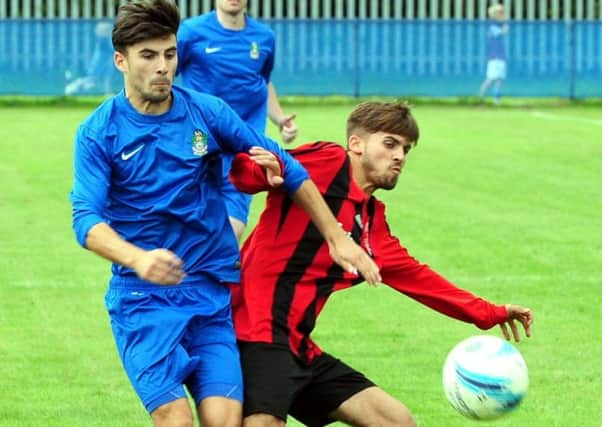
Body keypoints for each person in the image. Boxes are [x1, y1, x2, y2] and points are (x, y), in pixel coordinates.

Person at [69, 1, 380, 426]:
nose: (163, 67)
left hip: (210, 297)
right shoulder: (98, 131)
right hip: (143, 302)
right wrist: (137, 258)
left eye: (170, 54)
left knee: (226, 421)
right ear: (120, 60)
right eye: (148, 56)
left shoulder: (206, 111)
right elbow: (85, 219)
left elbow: (286, 167)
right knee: (175, 418)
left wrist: (336, 236)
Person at [229, 101, 534, 427]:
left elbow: (423, 281)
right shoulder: (328, 162)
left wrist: (491, 312)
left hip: (298, 346)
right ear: (356, 144)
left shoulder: (372, 226)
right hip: (255, 330)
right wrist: (262, 172)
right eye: (389, 144)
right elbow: (255, 169)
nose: (399, 156)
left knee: (396, 420)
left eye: (405, 148)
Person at [176, 0, 298, 241]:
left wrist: (280, 118)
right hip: (199, 143)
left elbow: (262, 81)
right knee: (188, 220)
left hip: (244, 147)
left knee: (232, 230)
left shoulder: (263, 37)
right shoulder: (190, 32)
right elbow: (165, 74)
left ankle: (202, 269)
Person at [64, 21, 118, 96]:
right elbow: (109, 49)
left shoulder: (107, 40)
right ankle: (72, 87)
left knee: (104, 77)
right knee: (91, 80)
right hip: (99, 65)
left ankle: (107, 91)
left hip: (106, 63)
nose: (110, 31)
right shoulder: (102, 40)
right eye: (108, 29)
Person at [479, 3, 509, 105]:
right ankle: (481, 97)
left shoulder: (499, 25)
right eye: (500, 13)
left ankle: (497, 100)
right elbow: (504, 31)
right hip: (494, 58)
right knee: (490, 79)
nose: (502, 15)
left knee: (499, 79)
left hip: (501, 57)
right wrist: (504, 23)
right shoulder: (492, 26)